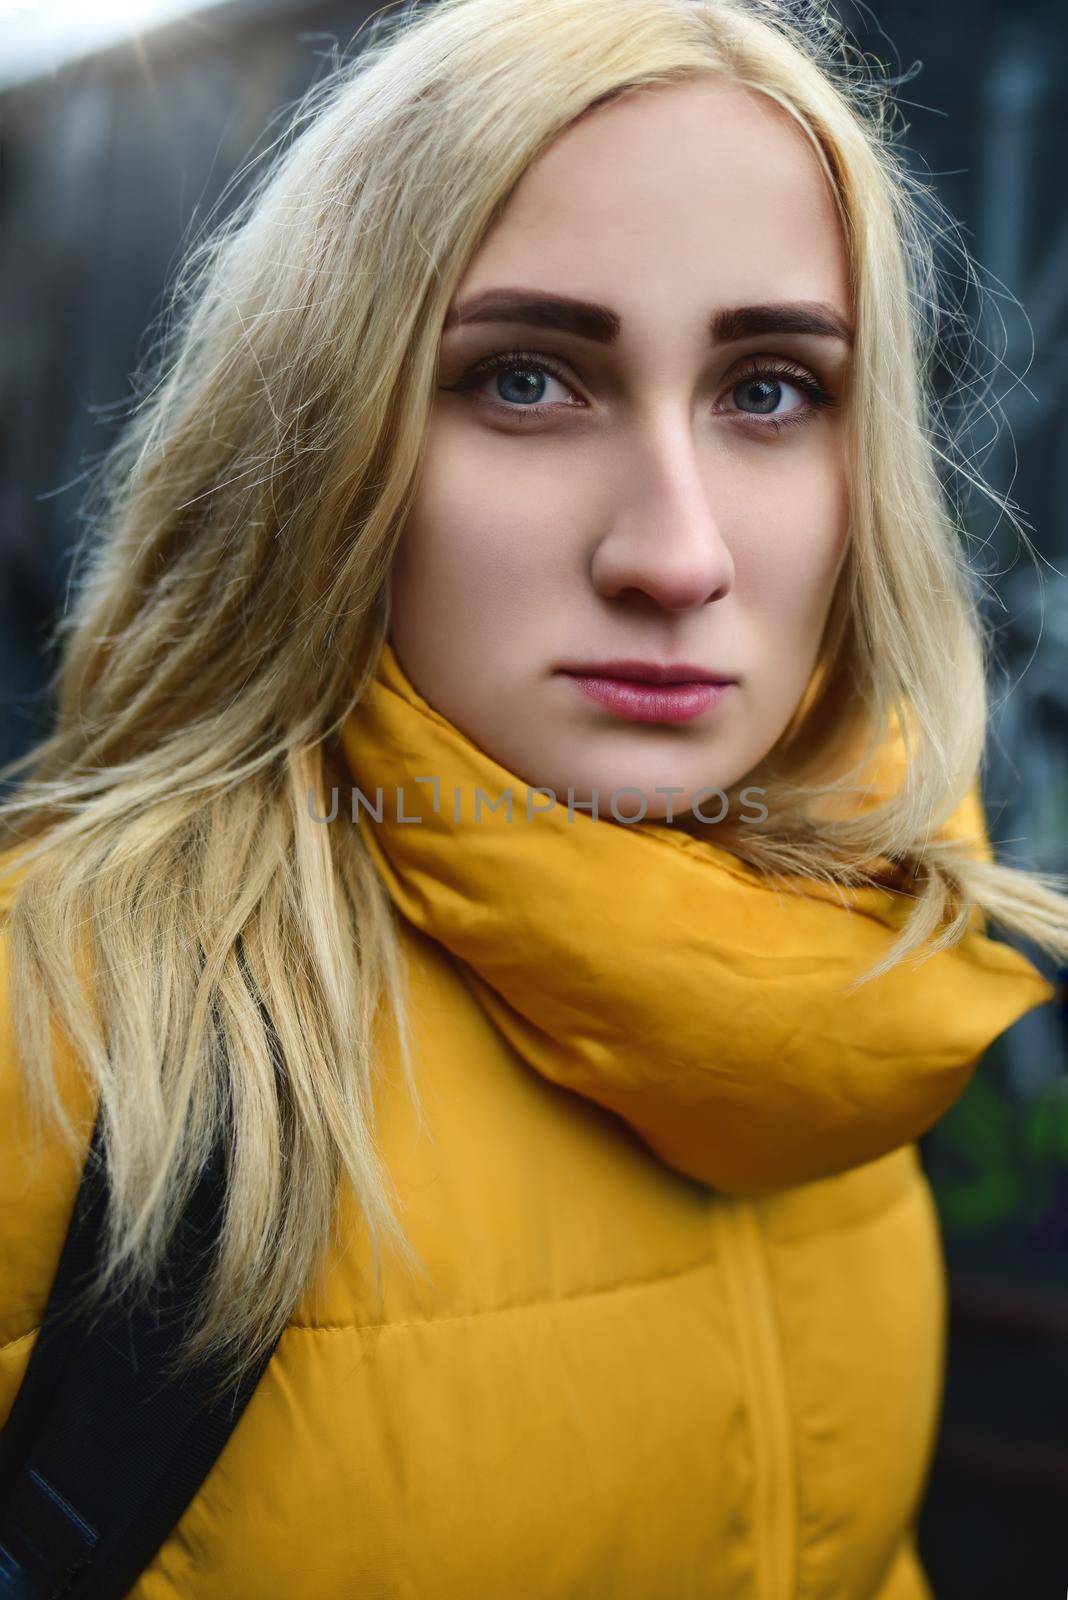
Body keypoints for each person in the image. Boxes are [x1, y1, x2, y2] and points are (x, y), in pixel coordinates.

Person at [1, 0, 1066, 1594]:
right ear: (325, 434)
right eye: (525, 382)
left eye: (770, 389)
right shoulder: (65, 1025)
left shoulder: (863, 971)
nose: (676, 556)